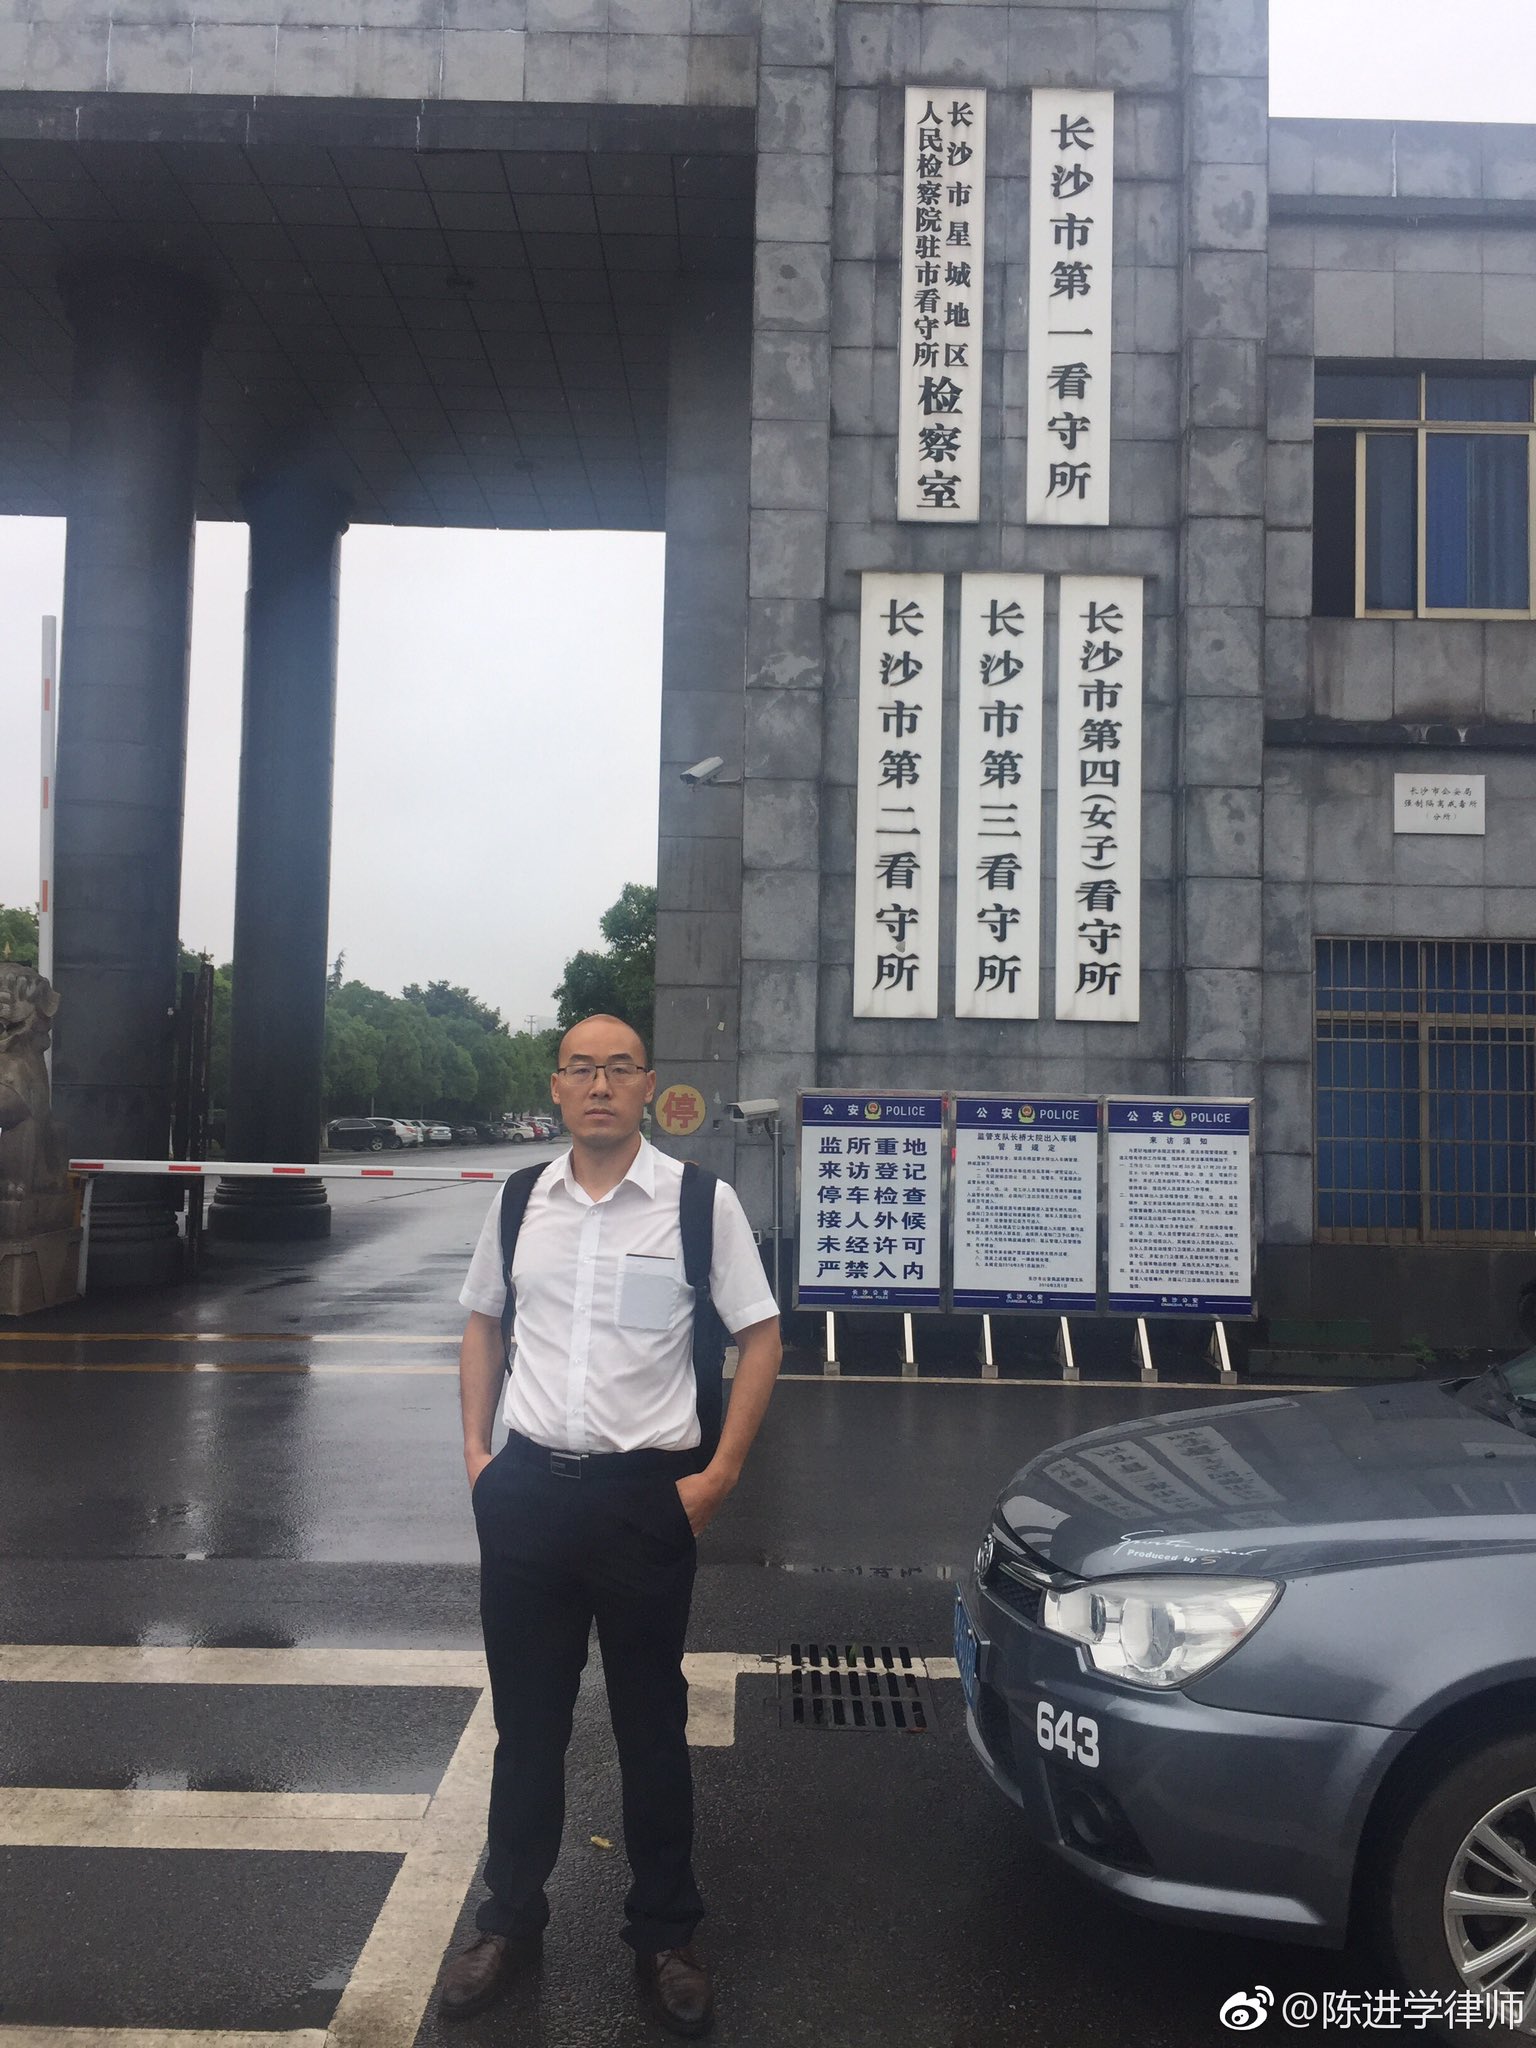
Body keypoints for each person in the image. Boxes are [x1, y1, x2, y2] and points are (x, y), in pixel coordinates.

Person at [440, 1014, 782, 2038]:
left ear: (648, 1087)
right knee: (528, 1726)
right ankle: (508, 1919)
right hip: (530, 1497)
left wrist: (717, 1477)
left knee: (651, 1725)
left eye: (618, 1068)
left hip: (646, 1501)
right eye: (581, 1068)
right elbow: (482, 1321)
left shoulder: (697, 1202)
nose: (599, 1084)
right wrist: (479, 1460)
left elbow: (763, 1335)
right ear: (556, 1087)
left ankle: (666, 1935)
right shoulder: (520, 1201)